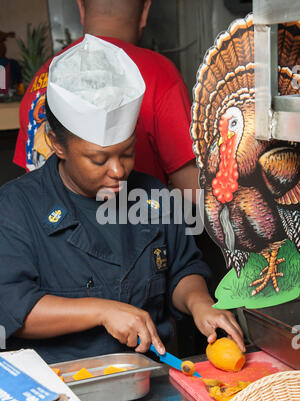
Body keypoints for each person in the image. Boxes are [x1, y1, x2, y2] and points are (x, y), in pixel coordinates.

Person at [0, 36, 245, 364]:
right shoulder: (16, 207)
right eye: (99, 160)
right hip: (62, 384)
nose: (118, 170)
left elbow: (183, 268)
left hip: (147, 375)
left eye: (127, 153)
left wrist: (198, 301)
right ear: (56, 144)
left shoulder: (154, 197)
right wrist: (102, 312)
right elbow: (13, 305)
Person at [13, 0, 199, 202]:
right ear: (145, 11)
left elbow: (30, 183)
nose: (117, 171)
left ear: (81, 8)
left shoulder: (42, 80)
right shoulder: (158, 73)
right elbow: (193, 191)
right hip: (134, 224)